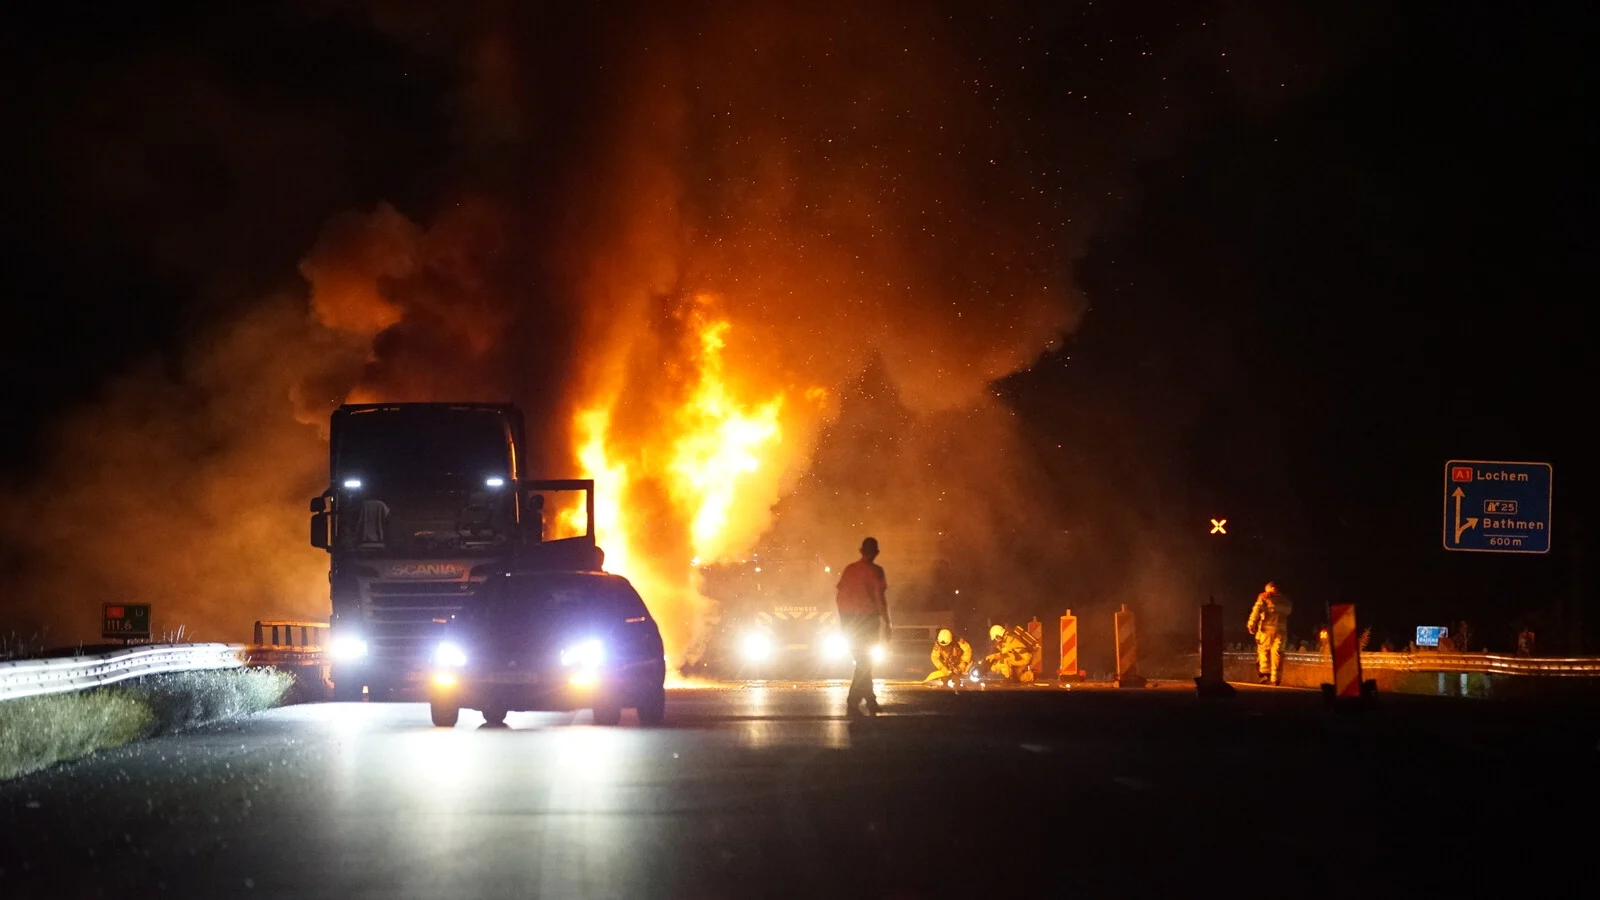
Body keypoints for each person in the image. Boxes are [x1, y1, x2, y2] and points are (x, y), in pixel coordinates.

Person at [835, 537, 889, 717]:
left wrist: (844, 622)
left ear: (861, 551)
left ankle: (868, 699)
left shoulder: (850, 570)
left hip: (850, 621)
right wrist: (887, 623)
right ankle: (857, 699)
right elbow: (880, 599)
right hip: (868, 621)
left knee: (862, 661)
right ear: (876, 552)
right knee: (865, 661)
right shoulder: (876, 571)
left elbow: (840, 597)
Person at [1246, 582, 1293, 685]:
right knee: (1278, 653)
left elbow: (1256, 611)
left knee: (1264, 652)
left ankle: (1265, 675)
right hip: (1281, 631)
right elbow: (1288, 612)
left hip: (1266, 630)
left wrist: (1251, 624)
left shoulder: (1264, 598)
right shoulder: (1286, 601)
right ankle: (1276, 679)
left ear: (1270, 589)